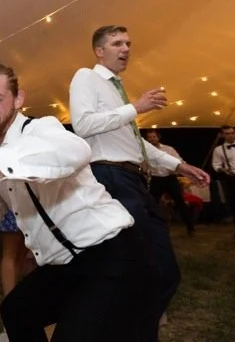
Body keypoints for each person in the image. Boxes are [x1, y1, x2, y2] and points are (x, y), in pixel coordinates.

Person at [0, 63, 155, 342]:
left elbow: (74, 149)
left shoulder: (43, 128)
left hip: (112, 254)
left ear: (18, 100)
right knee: (16, 310)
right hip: (66, 267)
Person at [69, 25, 210, 341]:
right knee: (144, 267)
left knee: (165, 270)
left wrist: (179, 165)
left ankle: (129, 328)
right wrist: (136, 107)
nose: (126, 48)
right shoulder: (86, 78)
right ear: (99, 50)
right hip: (109, 178)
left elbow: (136, 145)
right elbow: (82, 124)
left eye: (129, 43)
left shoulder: (118, 91)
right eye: (117, 43)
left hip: (133, 181)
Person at [145, 129, 196, 235]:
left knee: (180, 202)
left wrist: (176, 169)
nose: (152, 139)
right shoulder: (145, 150)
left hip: (170, 178)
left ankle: (190, 227)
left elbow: (179, 160)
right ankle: (150, 227)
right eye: (149, 137)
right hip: (156, 179)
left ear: (158, 137)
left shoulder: (168, 149)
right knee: (152, 203)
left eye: (153, 137)